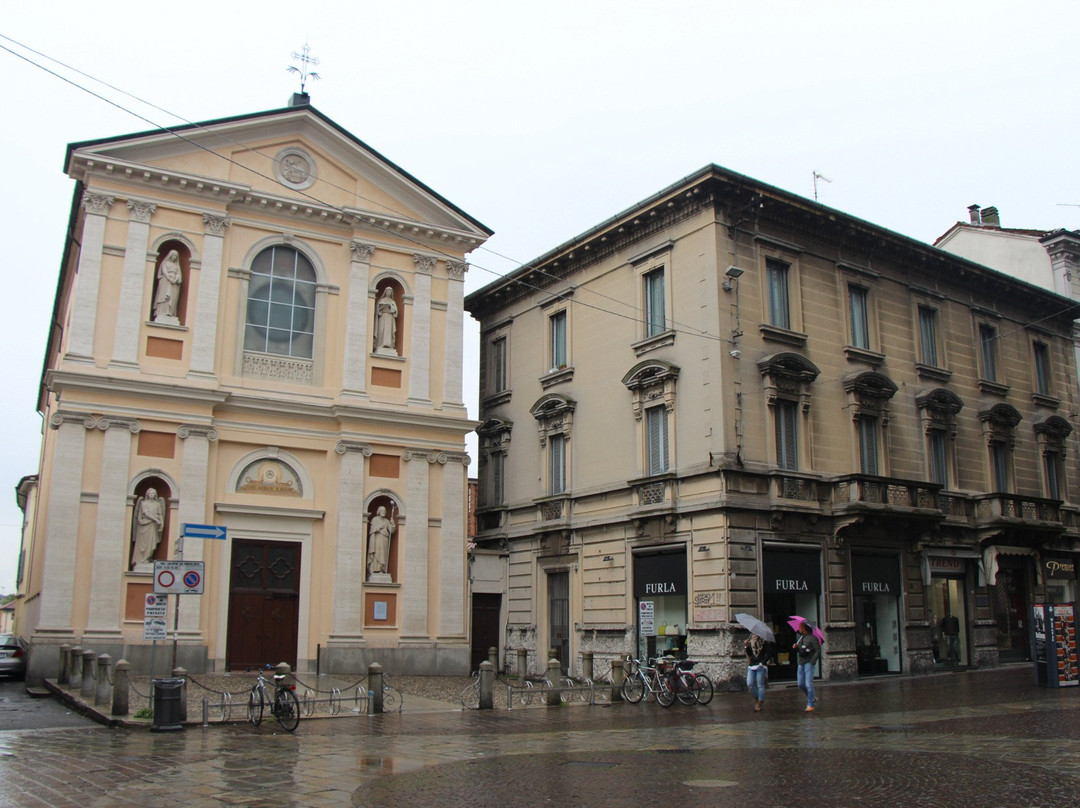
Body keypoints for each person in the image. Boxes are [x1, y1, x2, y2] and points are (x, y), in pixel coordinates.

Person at [132, 488, 165, 564]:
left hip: (153, 526)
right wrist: (156, 520)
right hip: (144, 526)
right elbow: (146, 513)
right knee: (144, 544)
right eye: (150, 493)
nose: (151, 495)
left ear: (155, 495)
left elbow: (160, 514)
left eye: (153, 493)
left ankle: (148, 558)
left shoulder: (158, 504)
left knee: (152, 543)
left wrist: (162, 524)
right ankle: (142, 559)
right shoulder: (143, 503)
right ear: (147, 494)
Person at [793, 621, 821, 713]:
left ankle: (810, 704)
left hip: (809, 663)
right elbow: (801, 651)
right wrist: (796, 647)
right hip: (801, 663)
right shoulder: (801, 638)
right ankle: (811, 697)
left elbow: (817, 651)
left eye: (800, 627)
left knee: (808, 684)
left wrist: (812, 662)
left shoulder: (813, 638)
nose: (799, 629)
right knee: (800, 683)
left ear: (804, 629)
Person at [153, 250, 183, 323]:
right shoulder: (165, 263)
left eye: (176, 256)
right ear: (170, 255)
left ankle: (170, 312)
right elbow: (164, 271)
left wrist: (175, 279)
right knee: (164, 296)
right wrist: (169, 278)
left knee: (173, 298)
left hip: (174, 283)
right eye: (174, 255)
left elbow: (179, 274)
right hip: (166, 281)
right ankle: (162, 312)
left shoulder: (176, 265)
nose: (175, 257)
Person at [367, 505, 395, 577]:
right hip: (377, 539)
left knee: (383, 554)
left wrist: (393, 524)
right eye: (382, 511)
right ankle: (374, 569)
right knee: (377, 553)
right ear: (379, 512)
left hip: (384, 539)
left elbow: (391, 531)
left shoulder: (386, 521)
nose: (384, 512)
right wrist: (379, 528)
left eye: (385, 511)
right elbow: (372, 530)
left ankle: (381, 569)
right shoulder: (375, 519)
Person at [745, 634, 770, 712]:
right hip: (752, 665)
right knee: (749, 683)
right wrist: (746, 646)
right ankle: (758, 699)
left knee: (760, 685)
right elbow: (750, 654)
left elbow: (769, 653)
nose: (754, 636)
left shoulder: (763, 642)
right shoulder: (751, 642)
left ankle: (759, 703)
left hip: (760, 666)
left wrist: (762, 662)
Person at [373, 287, 398, 353]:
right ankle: (380, 344)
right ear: (385, 292)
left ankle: (388, 345)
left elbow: (395, 310)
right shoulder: (381, 300)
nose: (388, 293)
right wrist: (381, 308)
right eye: (387, 292)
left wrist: (390, 306)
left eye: (390, 292)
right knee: (381, 330)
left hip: (390, 317)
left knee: (388, 331)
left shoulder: (392, 301)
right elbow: (378, 310)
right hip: (382, 316)